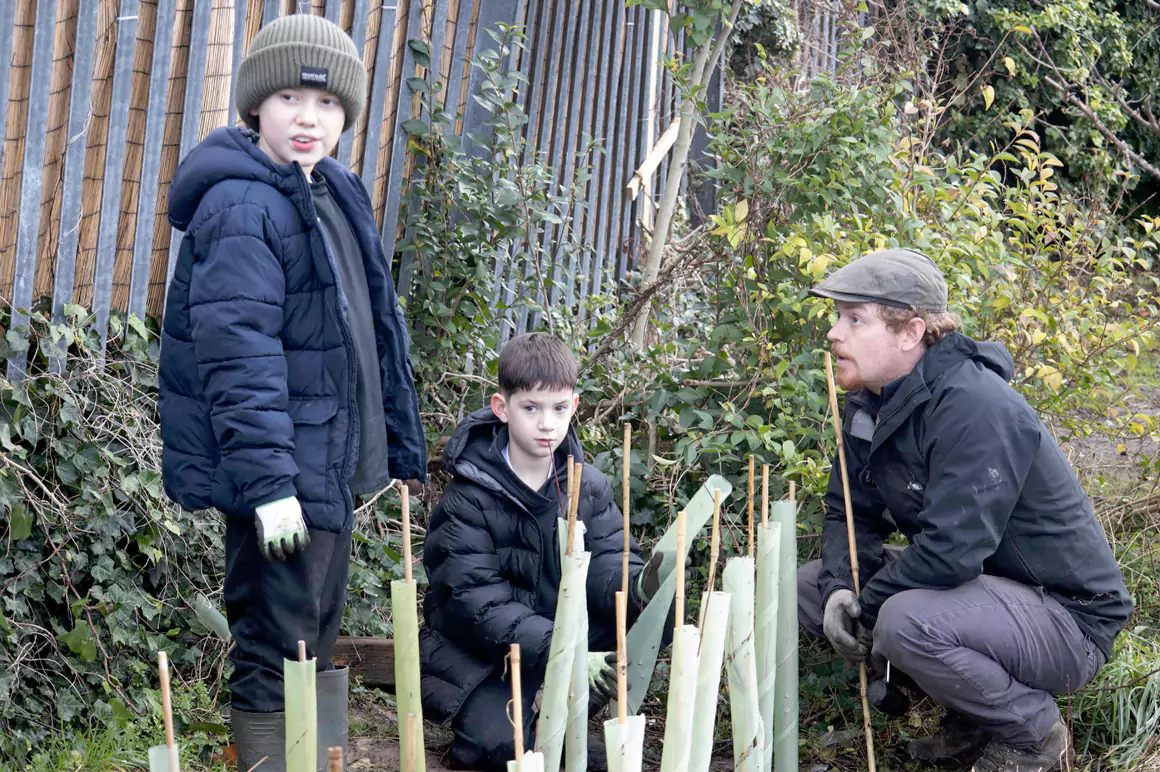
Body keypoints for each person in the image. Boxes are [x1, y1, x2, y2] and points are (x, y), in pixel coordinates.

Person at [157, 14, 427, 770]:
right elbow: (238, 361)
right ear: (255, 106)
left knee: (314, 627)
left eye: (328, 104)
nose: (309, 119)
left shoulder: (332, 188)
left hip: (324, 466)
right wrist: (271, 487)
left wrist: (393, 440)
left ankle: (316, 757)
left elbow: (371, 324)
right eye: (289, 99)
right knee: (277, 640)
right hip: (280, 477)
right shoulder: (242, 206)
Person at [797, 249, 1133, 771]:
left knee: (903, 621)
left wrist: (868, 606)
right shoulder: (874, 405)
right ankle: (974, 715)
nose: (834, 333)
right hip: (981, 598)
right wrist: (842, 587)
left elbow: (951, 552)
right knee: (807, 588)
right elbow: (849, 511)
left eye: (854, 319)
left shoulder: (976, 406)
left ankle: (1034, 734)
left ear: (910, 332)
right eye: (838, 317)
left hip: (1068, 620)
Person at [418, 333, 664, 771]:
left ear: (575, 405)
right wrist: (565, 651)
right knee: (497, 745)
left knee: (655, 615)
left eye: (559, 408)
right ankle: (549, 734)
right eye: (531, 408)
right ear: (501, 407)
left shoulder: (587, 484)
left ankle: (562, 715)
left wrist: (639, 586)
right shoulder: (467, 498)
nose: (547, 424)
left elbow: (608, 560)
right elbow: (478, 605)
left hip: (557, 640)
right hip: (484, 655)